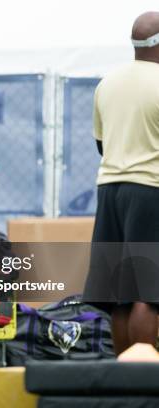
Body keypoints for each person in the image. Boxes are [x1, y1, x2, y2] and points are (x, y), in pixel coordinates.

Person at [83, 11, 159, 356]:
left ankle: (122, 372)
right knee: (148, 292)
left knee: (120, 295)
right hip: (150, 190)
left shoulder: (108, 82)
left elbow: (102, 144)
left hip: (110, 189)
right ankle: (143, 374)